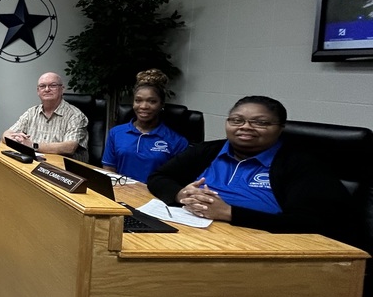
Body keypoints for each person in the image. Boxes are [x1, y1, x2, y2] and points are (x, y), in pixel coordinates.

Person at [147, 95, 350, 237]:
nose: (245, 127)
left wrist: (228, 213)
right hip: (195, 233)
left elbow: (312, 223)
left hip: (264, 245)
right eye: (236, 120)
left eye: (260, 123)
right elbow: (159, 177)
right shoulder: (207, 151)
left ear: (280, 129)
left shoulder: (300, 164)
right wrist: (181, 194)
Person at [101, 69, 187, 181]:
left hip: (156, 196)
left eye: (152, 101)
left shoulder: (177, 141)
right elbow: (109, 170)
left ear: (162, 104)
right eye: (138, 100)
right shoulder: (116, 133)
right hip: (120, 193)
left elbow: (178, 180)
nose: (143, 106)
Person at [3, 71, 89, 160]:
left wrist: (33, 145)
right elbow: (6, 134)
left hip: (65, 169)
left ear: (62, 89)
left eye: (53, 85)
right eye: (42, 86)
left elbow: (69, 147)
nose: (47, 89)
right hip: (35, 164)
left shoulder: (75, 116)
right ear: (38, 91)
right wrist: (17, 140)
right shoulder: (31, 112)